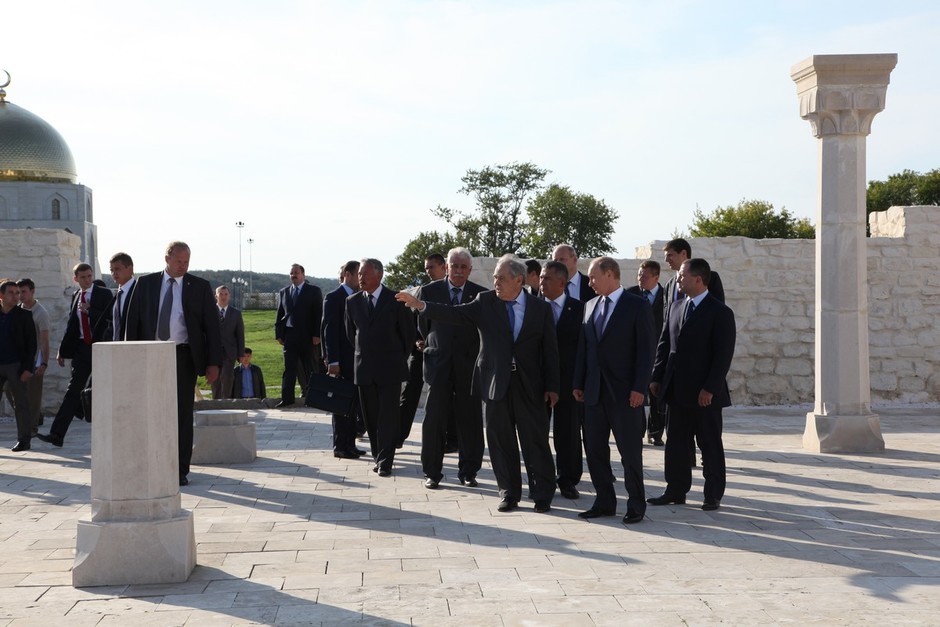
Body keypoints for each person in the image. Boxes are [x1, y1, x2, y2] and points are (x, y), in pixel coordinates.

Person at [397, 254, 560, 514]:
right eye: (494, 277)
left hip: (530, 385)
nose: (496, 282)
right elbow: (454, 313)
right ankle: (509, 493)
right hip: (496, 382)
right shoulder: (485, 302)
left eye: (501, 278)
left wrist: (553, 386)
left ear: (518, 280)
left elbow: (550, 351)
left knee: (535, 440)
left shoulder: (540, 308)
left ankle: (542, 494)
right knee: (500, 440)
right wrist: (421, 305)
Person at [122, 241, 222, 486]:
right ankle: (151, 464)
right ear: (167, 258)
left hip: (183, 356)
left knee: (182, 413)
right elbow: (132, 322)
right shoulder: (145, 284)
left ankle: (179, 469)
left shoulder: (199, 287)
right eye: (179, 261)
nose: (183, 266)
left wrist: (213, 362)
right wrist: (130, 357)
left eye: (187, 262)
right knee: (151, 411)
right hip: (150, 355)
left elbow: (212, 327)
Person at [572, 257, 656, 525]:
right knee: (595, 450)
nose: (589, 283)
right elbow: (584, 348)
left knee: (630, 453)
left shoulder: (637, 305)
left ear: (610, 274)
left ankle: (636, 504)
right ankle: (604, 502)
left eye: (593, 277)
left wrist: (639, 388)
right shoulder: (589, 306)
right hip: (594, 393)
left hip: (625, 395)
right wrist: (578, 383)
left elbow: (646, 351)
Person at [649, 259, 736, 512]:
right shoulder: (676, 307)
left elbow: (723, 356)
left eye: (682, 275)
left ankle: (712, 494)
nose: (678, 279)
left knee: (709, 443)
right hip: (676, 390)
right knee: (676, 442)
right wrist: (656, 377)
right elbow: (664, 345)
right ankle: (675, 489)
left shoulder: (720, 312)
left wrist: (710, 388)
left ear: (698, 279)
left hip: (704, 394)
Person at [415, 247, 486, 489]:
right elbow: (424, 326)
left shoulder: (480, 294)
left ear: (470, 270)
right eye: (454, 266)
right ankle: (432, 472)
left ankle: (469, 471)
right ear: (446, 267)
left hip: (468, 367)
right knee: (434, 419)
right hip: (439, 364)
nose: (458, 271)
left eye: (463, 267)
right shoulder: (429, 291)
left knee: (470, 420)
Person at [345, 258, 416, 477]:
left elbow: (408, 335)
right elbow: (351, 334)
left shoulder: (396, 300)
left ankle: (386, 461)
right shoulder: (352, 301)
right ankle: (378, 456)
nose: (360, 278)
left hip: (390, 369)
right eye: (359, 274)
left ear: (379, 275)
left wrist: (396, 357)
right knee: (371, 418)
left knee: (388, 417)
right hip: (364, 369)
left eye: (365, 274)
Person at [37, 263, 112, 447]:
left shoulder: (104, 294)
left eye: (89, 276)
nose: (87, 280)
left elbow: (110, 319)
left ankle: (82, 410)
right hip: (82, 348)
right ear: (76, 279)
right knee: (73, 391)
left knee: (99, 387)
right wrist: (62, 351)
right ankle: (57, 434)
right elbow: (72, 326)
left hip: (101, 347)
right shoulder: (76, 295)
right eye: (83, 277)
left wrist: (90, 310)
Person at [538, 260, 585, 500]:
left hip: (569, 383)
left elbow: (584, 348)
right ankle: (541, 478)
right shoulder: (533, 307)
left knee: (568, 434)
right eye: (541, 277)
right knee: (537, 432)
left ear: (562, 283)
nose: (542, 282)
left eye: (547, 278)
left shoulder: (580, 309)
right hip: (538, 382)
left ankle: (568, 480)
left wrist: (580, 381)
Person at [398, 252, 448, 449]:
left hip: (445, 353)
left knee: (447, 396)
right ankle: (398, 436)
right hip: (420, 353)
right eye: (426, 268)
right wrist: (416, 341)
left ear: (443, 267)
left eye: (431, 267)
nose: (428, 271)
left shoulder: (452, 291)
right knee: (410, 394)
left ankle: (450, 439)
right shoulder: (421, 291)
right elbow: (410, 322)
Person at [321, 260, 366, 459]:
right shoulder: (333, 298)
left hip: (357, 360)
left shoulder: (360, 297)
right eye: (358, 274)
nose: (361, 278)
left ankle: (350, 444)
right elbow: (329, 331)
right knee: (340, 405)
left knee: (353, 405)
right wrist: (333, 361)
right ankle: (340, 446)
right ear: (348, 275)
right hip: (341, 361)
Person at [626, 260, 666, 446]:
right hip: (636, 353)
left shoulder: (666, 296)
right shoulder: (630, 294)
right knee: (638, 393)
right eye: (639, 275)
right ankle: (637, 430)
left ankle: (655, 432)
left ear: (656, 277)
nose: (641, 279)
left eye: (645, 276)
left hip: (659, 351)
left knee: (657, 393)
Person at [275, 264, 323, 407]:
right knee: (289, 368)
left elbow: (318, 314)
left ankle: (314, 398)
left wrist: (317, 334)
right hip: (290, 336)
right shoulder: (284, 292)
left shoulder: (313, 291)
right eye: (291, 273)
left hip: (308, 337)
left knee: (310, 368)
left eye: (296, 272)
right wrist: (279, 334)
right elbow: (280, 314)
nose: (293, 275)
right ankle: (287, 399)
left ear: (303, 274)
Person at [1, 279, 36, 452]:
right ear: (1, 295)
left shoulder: (24, 316)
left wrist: (28, 368)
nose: (16, 296)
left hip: (16, 366)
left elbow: (32, 345)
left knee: (21, 404)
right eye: (11, 293)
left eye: (17, 293)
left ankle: (24, 440)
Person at [15, 278, 51, 435]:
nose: (21, 295)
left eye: (23, 292)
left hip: (35, 360)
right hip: (18, 360)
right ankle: (32, 417)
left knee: (33, 396)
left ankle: (32, 428)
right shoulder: (17, 310)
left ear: (32, 291)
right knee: (10, 389)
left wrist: (44, 363)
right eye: (18, 292)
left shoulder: (40, 313)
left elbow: (44, 340)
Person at [212, 285, 245, 400]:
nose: (223, 297)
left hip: (229, 352)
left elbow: (240, 334)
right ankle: (216, 402)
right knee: (215, 379)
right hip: (213, 351)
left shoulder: (236, 313)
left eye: (226, 294)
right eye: (221, 294)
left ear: (229, 296)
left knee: (227, 377)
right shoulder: (209, 311)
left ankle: (226, 401)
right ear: (216, 296)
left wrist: (241, 353)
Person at [108, 252, 138, 342]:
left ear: (130, 269)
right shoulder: (118, 294)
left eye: (117, 269)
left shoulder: (139, 291)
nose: (114, 273)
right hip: (116, 346)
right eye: (111, 270)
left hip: (134, 345)